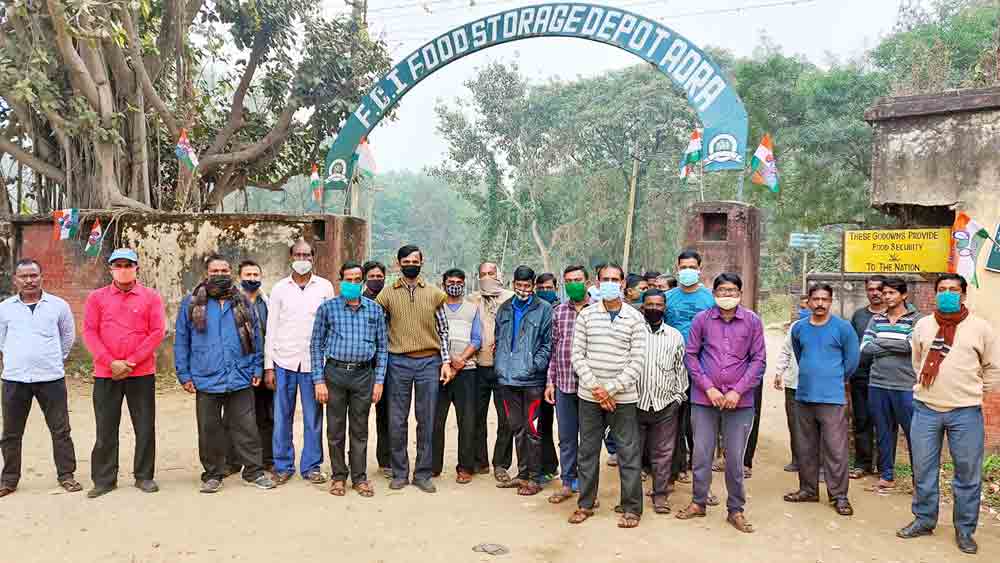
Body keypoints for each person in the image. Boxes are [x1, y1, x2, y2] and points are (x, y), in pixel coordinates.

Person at [898, 274, 999, 555]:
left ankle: (965, 530)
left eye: (953, 290)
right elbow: (917, 361)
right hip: (926, 409)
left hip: (965, 413)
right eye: (942, 290)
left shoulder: (981, 328)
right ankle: (924, 519)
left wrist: (974, 393)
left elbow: (992, 368)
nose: (947, 294)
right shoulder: (923, 325)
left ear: (963, 295)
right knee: (923, 469)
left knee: (967, 474)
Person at [175, 254, 275, 493]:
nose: (220, 275)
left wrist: (256, 367)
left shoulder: (242, 302)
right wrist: (184, 374)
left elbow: (256, 338)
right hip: (206, 375)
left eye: (224, 271)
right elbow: (182, 340)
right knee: (209, 429)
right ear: (206, 274)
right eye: (215, 271)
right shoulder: (192, 303)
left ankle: (253, 471)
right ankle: (213, 474)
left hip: (239, 375)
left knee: (246, 427)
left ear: (231, 274)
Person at [675, 273, 765, 533]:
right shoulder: (702, 319)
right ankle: (698, 502)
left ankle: (735, 509)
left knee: (735, 458)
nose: (727, 295)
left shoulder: (752, 321)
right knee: (701, 454)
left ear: (740, 293)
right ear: (714, 293)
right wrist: (709, 388)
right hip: (705, 399)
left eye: (732, 290)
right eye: (722, 291)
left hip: (740, 401)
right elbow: (691, 357)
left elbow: (758, 361)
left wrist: (738, 391)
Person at [567, 263, 647, 529]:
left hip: (623, 398)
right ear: (598, 284)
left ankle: (632, 508)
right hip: (590, 396)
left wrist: (611, 389)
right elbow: (577, 355)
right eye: (606, 279)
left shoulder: (635, 318)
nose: (611, 283)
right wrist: (597, 389)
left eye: (615, 279)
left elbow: (637, 360)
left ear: (623, 284)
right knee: (587, 451)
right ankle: (585, 504)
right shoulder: (587, 316)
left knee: (628, 451)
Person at [83, 248, 166, 498]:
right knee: (106, 426)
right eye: (117, 265)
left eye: (128, 265)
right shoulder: (96, 298)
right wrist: (110, 363)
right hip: (106, 373)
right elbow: (89, 332)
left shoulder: (151, 297)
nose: (123, 269)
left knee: (144, 426)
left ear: (136, 268)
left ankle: (144, 476)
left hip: (140, 373)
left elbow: (157, 332)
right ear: (110, 269)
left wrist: (130, 362)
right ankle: (104, 479)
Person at [376, 245, 453, 493]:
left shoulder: (434, 294)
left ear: (422, 262)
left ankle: (423, 474)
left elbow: (443, 331)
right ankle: (399, 473)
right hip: (397, 362)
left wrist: (446, 362)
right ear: (398, 264)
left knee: (426, 419)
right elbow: (380, 330)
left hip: (429, 363)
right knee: (397, 420)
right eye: (406, 260)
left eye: (415, 260)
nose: (411, 264)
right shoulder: (386, 295)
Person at [0, 259, 80, 497]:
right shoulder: (5, 308)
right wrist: (19, 357)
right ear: (15, 279)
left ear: (41, 277)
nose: (29, 281)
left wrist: (51, 358)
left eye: (33, 275)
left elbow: (67, 338)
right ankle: (8, 480)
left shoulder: (58, 306)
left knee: (60, 429)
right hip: (15, 379)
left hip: (51, 378)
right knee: (11, 433)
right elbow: (1, 341)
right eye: (23, 276)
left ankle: (66, 475)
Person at [310, 261, 388, 497]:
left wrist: (379, 381)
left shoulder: (374, 310)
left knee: (360, 429)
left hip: (364, 375)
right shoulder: (328, 308)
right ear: (340, 280)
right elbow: (315, 345)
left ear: (362, 281)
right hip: (334, 374)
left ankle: (360, 477)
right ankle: (338, 477)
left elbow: (383, 348)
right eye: (348, 279)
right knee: (334, 429)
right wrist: (318, 380)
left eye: (357, 280)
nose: (352, 283)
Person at [785, 283, 860, 516]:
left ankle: (839, 496)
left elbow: (852, 361)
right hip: (804, 394)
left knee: (835, 449)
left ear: (831, 301)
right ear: (808, 301)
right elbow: (799, 353)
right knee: (805, 446)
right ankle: (808, 489)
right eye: (815, 299)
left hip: (832, 398)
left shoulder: (843, 328)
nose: (819, 304)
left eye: (824, 299)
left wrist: (834, 378)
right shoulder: (799, 329)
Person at [265, 240, 335, 486]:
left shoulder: (325, 287)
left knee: (313, 417)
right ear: (290, 256)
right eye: (298, 254)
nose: (302, 258)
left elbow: (330, 327)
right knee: (281, 416)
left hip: (313, 365)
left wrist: (326, 366)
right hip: (283, 361)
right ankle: (283, 465)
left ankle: (311, 466)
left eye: (306, 254)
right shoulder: (279, 289)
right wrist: (268, 366)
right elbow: (271, 329)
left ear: (313, 257)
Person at [860, 277, 921, 492]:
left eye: (891, 293)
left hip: (906, 385)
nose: (886, 297)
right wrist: (895, 344)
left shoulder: (917, 319)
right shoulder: (876, 319)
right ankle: (887, 475)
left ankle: (919, 479)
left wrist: (881, 343)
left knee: (914, 433)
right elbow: (865, 348)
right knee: (884, 431)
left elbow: (911, 347)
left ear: (904, 295)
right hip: (877, 383)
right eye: (885, 293)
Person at [664, 250, 715, 488]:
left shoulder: (709, 300)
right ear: (677, 268)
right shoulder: (668, 298)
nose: (687, 271)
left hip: (700, 370)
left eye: (691, 267)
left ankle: (700, 478)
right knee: (672, 421)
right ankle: (675, 470)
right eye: (683, 266)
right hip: (670, 369)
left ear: (699, 269)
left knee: (698, 424)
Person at [636, 288, 688, 515]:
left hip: (666, 404)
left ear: (664, 308)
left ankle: (660, 496)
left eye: (658, 305)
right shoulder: (634, 332)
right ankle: (631, 499)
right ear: (642, 306)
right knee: (632, 453)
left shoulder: (675, 336)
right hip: (635, 404)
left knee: (663, 453)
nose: (654, 309)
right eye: (650, 304)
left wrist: (678, 397)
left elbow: (681, 370)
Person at [544, 265, 590, 504]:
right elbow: (553, 349)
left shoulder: (598, 311)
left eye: (578, 279)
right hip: (563, 383)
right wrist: (550, 381)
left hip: (590, 388)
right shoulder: (559, 311)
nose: (574, 284)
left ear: (588, 281)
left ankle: (586, 486)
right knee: (567, 436)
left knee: (588, 439)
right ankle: (566, 482)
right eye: (569, 280)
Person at [468, 261, 515, 484]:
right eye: (483, 273)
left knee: (506, 418)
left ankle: (501, 464)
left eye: (491, 273)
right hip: (477, 367)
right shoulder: (471, 299)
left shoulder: (511, 298)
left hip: (504, 369)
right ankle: (480, 461)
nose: (487, 277)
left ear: (499, 275)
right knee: (476, 416)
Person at [432, 268, 481, 484]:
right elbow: (432, 336)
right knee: (435, 420)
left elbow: (477, 339)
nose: (454, 284)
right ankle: (432, 466)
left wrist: (460, 361)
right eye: (450, 281)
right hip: (440, 370)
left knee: (467, 420)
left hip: (467, 371)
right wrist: (450, 361)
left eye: (458, 281)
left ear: (464, 283)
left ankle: (465, 467)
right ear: (443, 284)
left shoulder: (472, 309)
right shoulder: (435, 307)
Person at [225, 260, 273, 476]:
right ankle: (232, 460)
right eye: (248, 274)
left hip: (266, 366)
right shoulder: (232, 302)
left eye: (256, 274)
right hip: (240, 368)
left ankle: (265, 459)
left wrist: (268, 367)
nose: (252, 278)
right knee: (236, 416)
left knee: (265, 415)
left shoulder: (267, 302)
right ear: (239, 276)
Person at [848, 275, 885, 480]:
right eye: (871, 289)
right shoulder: (859, 316)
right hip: (860, 376)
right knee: (861, 420)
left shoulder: (893, 316)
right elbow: (851, 345)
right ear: (866, 291)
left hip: (886, 377)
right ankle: (862, 463)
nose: (875, 292)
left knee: (884, 422)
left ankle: (884, 466)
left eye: (879, 289)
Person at [362, 260, 392, 478]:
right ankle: (357, 462)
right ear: (365, 278)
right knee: (359, 415)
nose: (376, 280)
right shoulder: (358, 300)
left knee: (387, 414)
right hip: (362, 365)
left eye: (379, 276)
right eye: (371, 276)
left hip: (385, 363)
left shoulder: (389, 299)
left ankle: (386, 460)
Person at [532, 273, 560, 481]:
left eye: (548, 287)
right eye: (540, 287)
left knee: (570, 429)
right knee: (542, 423)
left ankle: (573, 472)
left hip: (562, 375)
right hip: (540, 375)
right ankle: (546, 466)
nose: (544, 290)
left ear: (555, 287)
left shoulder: (563, 310)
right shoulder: (534, 310)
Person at [773, 316, 803, 473]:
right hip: (794, 384)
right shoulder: (796, 327)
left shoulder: (832, 327)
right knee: (794, 423)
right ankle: (797, 459)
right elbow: (786, 350)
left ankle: (818, 464)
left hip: (817, 386)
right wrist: (779, 372)